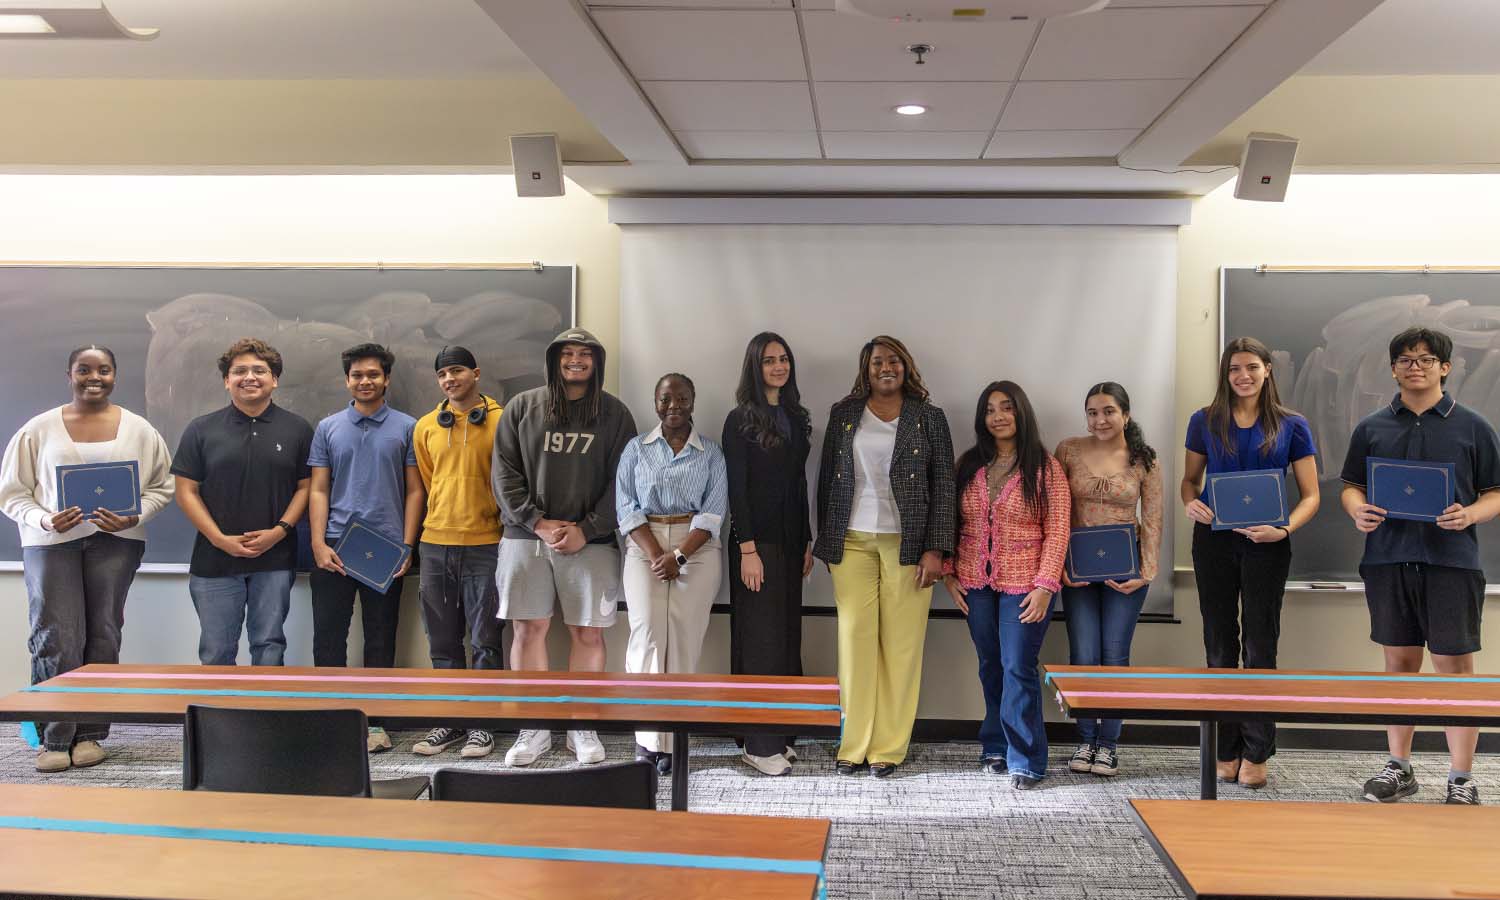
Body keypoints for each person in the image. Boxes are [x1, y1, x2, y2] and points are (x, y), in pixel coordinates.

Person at [1340, 327, 1500, 806]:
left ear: (1444, 368)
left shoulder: (1473, 426)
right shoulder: (1371, 426)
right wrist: (1356, 509)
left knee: (1454, 668)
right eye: (1406, 359)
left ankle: (1461, 778)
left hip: (1452, 562)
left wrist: (1469, 513)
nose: (1416, 366)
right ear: (1393, 368)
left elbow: (1495, 494)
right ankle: (1400, 768)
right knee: (1400, 665)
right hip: (1388, 559)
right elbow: (1350, 485)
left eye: (1426, 359)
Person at [0, 345, 174, 773]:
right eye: (84, 369)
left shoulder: (139, 430)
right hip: (49, 545)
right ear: (70, 374)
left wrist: (136, 514)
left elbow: (162, 486)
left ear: (115, 375)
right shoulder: (38, 429)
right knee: (55, 637)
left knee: (103, 637)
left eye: (104, 370)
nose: (94, 377)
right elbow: (12, 493)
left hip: (116, 544)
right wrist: (44, 520)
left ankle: (91, 734)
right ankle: (54, 738)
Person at [493, 327, 637, 767]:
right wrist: (536, 522)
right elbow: (503, 474)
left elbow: (624, 481)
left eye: (585, 354)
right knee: (527, 630)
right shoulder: (522, 407)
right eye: (568, 353)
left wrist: (587, 527)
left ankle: (582, 725)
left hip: (590, 542)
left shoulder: (615, 414)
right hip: (524, 538)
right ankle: (533, 728)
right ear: (555, 359)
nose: (576, 360)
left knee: (588, 632)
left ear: (597, 362)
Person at [1181, 336, 1319, 790]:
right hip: (1214, 541)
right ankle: (1225, 747)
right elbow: (1189, 481)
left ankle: (1257, 751)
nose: (1243, 376)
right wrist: (1191, 504)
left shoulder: (1292, 424)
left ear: (1267, 370)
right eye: (1235, 368)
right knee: (1220, 644)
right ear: (1226, 373)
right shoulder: (1204, 421)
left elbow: (1311, 496)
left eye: (1252, 367)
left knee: (1261, 646)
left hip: (1268, 542)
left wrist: (1283, 530)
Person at [815, 335, 954, 779]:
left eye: (893, 360)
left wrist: (937, 549)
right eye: (877, 361)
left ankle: (888, 749)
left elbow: (944, 487)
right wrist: (826, 542)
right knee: (854, 642)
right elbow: (826, 481)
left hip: (908, 545)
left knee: (901, 647)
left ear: (906, 366)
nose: (886, 367)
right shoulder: (844, 414)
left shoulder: (929, 418)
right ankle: (852, 744)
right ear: (866, 369)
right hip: (851, 540)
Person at [943, 382, 1070, 789]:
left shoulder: (1045, 467)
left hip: (1027, 585)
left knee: (1018, 667)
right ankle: (994, 743)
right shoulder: (969, 464)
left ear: (1021, 413)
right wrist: (948, 573)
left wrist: (1046, 584)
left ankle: (1027, 758)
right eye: (990, 410)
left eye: (1006, 408)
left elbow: (1058, 528)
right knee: (990, 664)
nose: (998, 416)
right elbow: (949, 521)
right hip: (974, 582)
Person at [307, 342, 424, 754]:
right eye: (357, 375)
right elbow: (319, 488)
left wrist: (408, 545)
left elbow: (415, 491)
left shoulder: (410, 427)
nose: (365, 381)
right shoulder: (328, 427)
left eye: (373, 374)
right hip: (336, 544)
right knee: (328, 639)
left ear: (386, 379)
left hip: (386, 548)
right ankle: (332, 721)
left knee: (380, 639)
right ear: (347, 380)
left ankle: (377, 723)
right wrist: (318, 543)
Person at [173, 338, 313, 668]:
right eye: (239, 371)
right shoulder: (201, 429)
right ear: (226, 380)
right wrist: (220, 539)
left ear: (274, 379)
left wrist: (279, 531)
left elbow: (307, 487)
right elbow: (185, 492)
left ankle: (267, 720)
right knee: (216, 649)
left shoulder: (297, 428)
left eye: (259, 370)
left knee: (269, 645)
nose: (249, 377)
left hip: (275, 557)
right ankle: (218, 721)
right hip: (214, 560)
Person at [617, 373, 728, 774]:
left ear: (693, 401)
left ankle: (674, 740)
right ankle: (648, 741)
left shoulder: (710, 453)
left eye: (682, 398)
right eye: (666, 398)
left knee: (682, 640)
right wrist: (655, 555)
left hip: (695, 547)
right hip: (643, 543)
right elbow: (626, 508)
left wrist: (678, 556)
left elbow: (713, 513)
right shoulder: (636, 449)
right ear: (655, 402)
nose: (674, 405)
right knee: (646, 635)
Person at [1055, 382, 1163, 778]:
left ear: (1125, 415)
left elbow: (1152, 519)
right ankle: (1085, 738)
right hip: (1077, 571)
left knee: (1115, 655)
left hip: (1126, 570)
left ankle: (1109, 744)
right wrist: (1060, 565)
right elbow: (1056, 510)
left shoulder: (1143, 458)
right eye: (1093, 412)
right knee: (1082, 654)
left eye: (1108, 411)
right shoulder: (1067, 449)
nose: (1100, 420)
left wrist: (1146, 572)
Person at [409, 345, 506, 759]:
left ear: (476, 373)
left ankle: (483, 726)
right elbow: (428, 482)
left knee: (485, 641)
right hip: (435, 544)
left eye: (457, 371)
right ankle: (449, 719)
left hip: (486, 545)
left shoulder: (503, 422)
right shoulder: (426, 426)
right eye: (443, 374)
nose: (450, 379)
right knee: (443, 642)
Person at [723, 332, 813, 776]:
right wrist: (747, 548)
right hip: (755, 546)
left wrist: (807, 541)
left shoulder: (796, 416)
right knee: (759, 641)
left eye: (784, 359)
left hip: (791, 543)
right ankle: (757, 743)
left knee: (785, 639)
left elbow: (797, 485)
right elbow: (736, 489)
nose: (779, 366)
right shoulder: (739, 419)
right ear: (754, 367)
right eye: (769, 361)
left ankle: (779, 732)